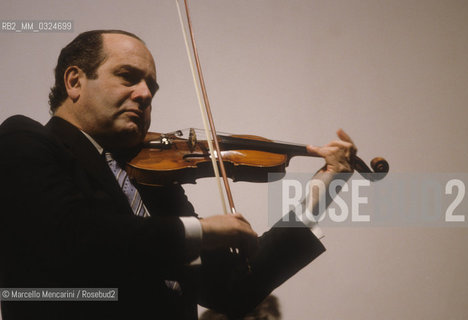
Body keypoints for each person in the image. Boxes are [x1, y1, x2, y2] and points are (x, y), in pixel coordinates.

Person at [0, 30, 356, 320]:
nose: (143, 94)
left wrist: (323, 189)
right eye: (128, 77)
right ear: (75, 81)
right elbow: (77, 238)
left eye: (151, 89)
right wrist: (203, 231)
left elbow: (234, 290)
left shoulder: (152, 182)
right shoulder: (25, 140)